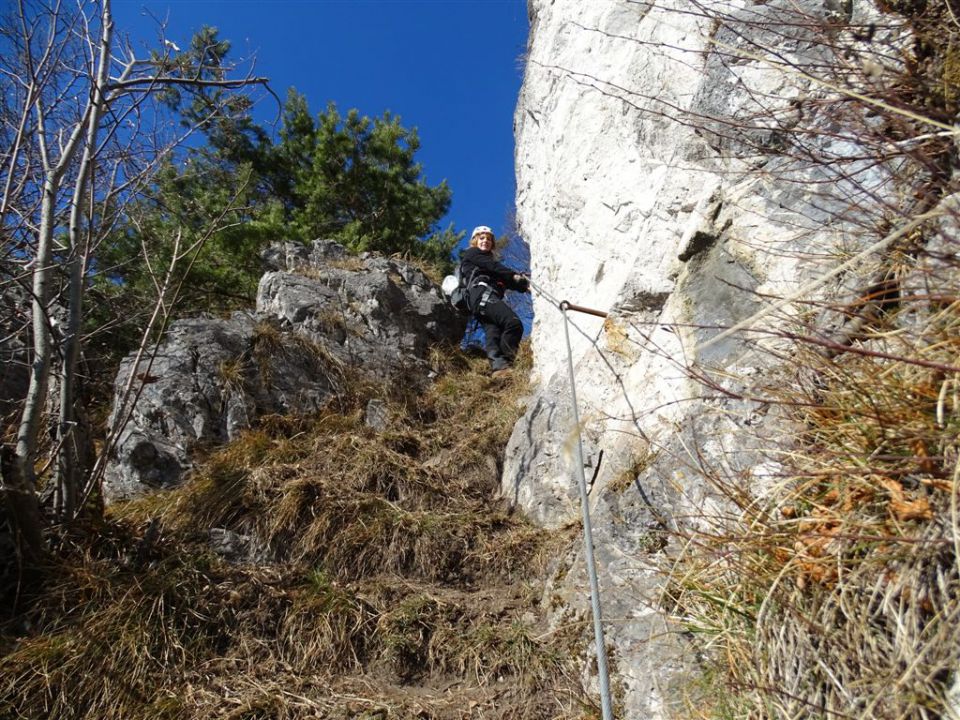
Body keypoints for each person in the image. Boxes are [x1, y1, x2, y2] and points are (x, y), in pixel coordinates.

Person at [459, 225, 530, 374]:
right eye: (482, 238)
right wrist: (514, 275)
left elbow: (504, 279)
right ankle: (506, 363)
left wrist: (524, 286)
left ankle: (499, 368)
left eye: (489, 239)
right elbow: (494, 267)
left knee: (493, 333)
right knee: (513, 323)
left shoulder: (488, 265)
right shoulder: (473, 254)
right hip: (482, 294)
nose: (486, 241)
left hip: (481, 300)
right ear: (475, 241)